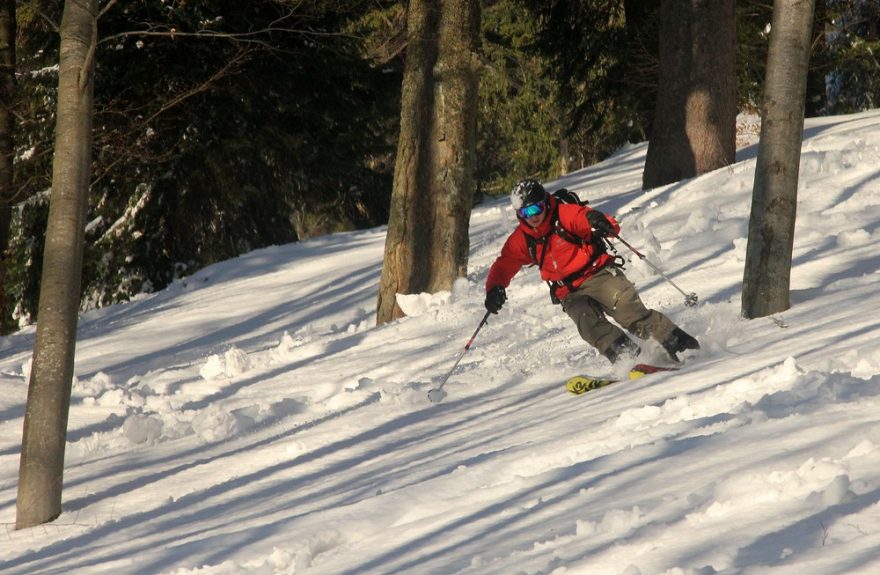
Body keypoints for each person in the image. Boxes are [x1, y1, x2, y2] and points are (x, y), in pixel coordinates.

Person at [484, 179, 699, 365]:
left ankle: (679, 344)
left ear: (545, 203)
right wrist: (494, 289)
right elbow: (504, 264)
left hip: (598, 274)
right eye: (525, 212)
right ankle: (630, 360)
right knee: (589, 325)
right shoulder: (522, 239)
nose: (533, 216)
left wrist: (600, 222)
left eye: (536, 208)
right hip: (568, 291)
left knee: (627, 309)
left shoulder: (564, 214)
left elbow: (591, 219)